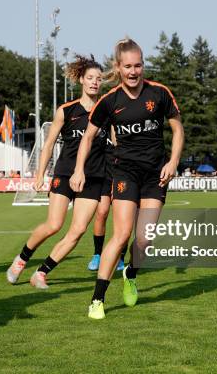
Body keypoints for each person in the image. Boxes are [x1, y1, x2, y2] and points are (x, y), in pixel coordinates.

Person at [69, 38, 184, 319]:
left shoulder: (160, 94)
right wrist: (78, 169)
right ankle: (97, 299)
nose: (134, 72)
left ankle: (130, 274)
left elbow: (178, 130)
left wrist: (173, 161)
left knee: (144, 240)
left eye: (138, 65)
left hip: (155, 176)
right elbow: (87, 138)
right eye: (128, 66)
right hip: (125, 174)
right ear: (118, 67)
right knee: (121, 235)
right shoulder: (110, 102)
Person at [6, 55, 106, 289]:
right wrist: (39, 174)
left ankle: (41, 273)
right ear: (81, 79)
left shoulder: (107, 112)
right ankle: (21, 260)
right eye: (90, 78)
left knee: (79, 229)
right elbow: (48, 144)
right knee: (54, 225)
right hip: (64, 174)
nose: (94, 82)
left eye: (98, 79)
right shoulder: (66, 110)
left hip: (94, 177)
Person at [87, 125, 128, 272]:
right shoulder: (99, 122)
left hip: (122, 174)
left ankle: (121, 257)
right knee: (102, 212)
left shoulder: (122, 120)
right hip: (104, 175)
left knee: (122, 218)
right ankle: (97, 254)